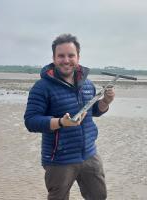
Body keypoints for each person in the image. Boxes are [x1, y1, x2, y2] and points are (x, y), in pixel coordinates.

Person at [24, 33, 115, 200]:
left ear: (78, 57)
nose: (66, 60)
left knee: (99, 196)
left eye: (71, 55)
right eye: (61, 56)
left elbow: (93, 111)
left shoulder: (87, 84)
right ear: (53, 58)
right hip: (59, 159)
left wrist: (106, 102)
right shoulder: (42, 87)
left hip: (89, 154)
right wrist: (61, 122)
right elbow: (31, 121)